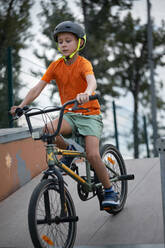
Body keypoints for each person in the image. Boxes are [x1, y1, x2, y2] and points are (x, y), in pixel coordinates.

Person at [10, 21, 119, 208]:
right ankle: (68, 152)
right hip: (69, 115)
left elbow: (92, 81)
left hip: (90, 115)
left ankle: (110, 191)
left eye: (68, 40)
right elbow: (38, 88)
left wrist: (87, 92)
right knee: (48, 130)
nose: (64, 44)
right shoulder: (55, 66)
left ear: (79, 43)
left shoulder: (83, 63)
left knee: (93, 155)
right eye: (60, 41)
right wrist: (22, 105)